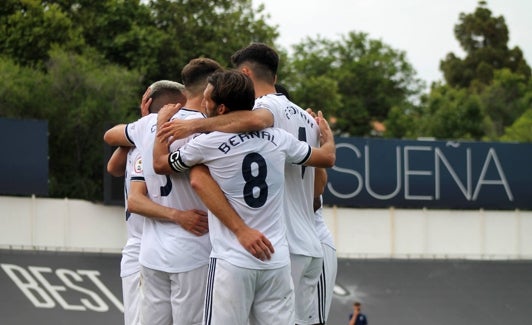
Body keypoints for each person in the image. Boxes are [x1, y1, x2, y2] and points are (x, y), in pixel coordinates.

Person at [156, 43, 328, 325]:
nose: (202, 105)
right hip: (279, 255)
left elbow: (165, 166)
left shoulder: (212, 139)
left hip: (234, 257)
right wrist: (327, 142)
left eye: (208, 100)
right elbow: (324, 165)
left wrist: (171, 127)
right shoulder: (279, 138)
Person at [104, 60, 222, 324]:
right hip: (194, 247)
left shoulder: (148, 125)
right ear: (209, 91)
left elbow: (111, 138)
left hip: (152, 251)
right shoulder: (212, 130)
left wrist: (146, 119)